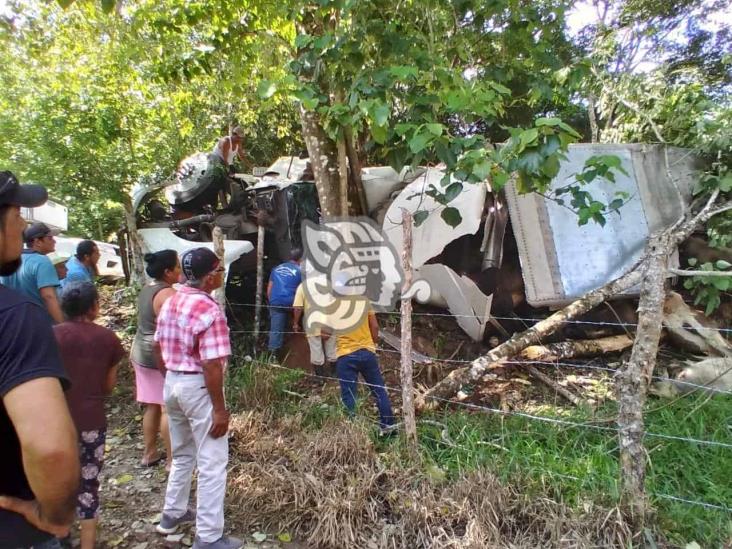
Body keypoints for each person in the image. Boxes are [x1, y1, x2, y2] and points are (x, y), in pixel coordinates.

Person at [0, 171, 80, 548]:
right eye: (18, 213)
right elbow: (51, 449)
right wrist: (56, 516)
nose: (23, 223)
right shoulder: (15, 316)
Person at [154, 247, 241, 549]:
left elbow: (157, 347)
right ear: (208, 277)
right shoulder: (209, 310)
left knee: (182, 454)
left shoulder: (171, 301)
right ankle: (209, 536)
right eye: (219, 270)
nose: (221, 274)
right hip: (198, 386)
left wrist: (171, 379)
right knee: (213, 460)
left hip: (173, 383)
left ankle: (172, 514)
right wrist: (219, 409)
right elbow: (211, 364)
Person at [54, 281, 125, 549]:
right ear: (94, 306)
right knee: (88, 483)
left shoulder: (50, 336)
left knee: (56, 483)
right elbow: (108, 386)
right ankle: (87, 544)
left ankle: (58, 538)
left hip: (55, 422)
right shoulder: (108, 340)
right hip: (92, 421)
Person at [130, 250, 179, 469]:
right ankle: (171, 460)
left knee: (151, 405)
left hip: (140, 351)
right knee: (167, 408)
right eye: (177, 267)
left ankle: (149, 453)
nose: (180, 271)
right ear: (167, 272)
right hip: (157, 356)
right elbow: (173, 330)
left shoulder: (147, 289)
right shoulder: (168, 295)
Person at [331, 299, 395, 434]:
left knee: (349, 394)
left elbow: (325, 330)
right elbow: (375, 326)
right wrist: (372, 344)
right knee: (379, 391)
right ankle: (388, 427)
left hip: (345, 355)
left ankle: (353, 431)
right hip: (367, 352)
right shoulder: (364, 301)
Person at [0, 222, 64, 323]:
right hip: (37, 323)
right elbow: (48, 296)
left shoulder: (11, 260)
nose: (54, 241)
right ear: (37, 241)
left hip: (12, 322)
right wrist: (62, 325)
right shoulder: (42, 261)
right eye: (50, 238)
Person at [292, 282, 337, 380]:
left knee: (316, 349)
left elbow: (298, 308)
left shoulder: (302, 286)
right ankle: (335, 374)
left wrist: (295, 323)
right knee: (332, 348)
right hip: (330, 321)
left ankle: (320, 377)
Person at [267, 248, 303, 358]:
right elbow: (302, 294)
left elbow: (269, 288)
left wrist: (271, 302)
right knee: (304, 314)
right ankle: (298, 334)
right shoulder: (300, 271)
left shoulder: (276, 268)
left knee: (275, 330)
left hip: (275, 301)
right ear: (300, 259)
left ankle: (273, 356)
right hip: (291, 302)